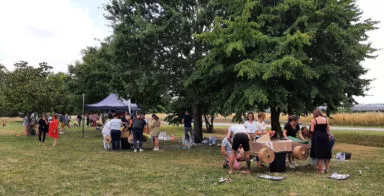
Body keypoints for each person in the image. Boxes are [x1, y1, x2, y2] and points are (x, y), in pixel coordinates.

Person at [310, 109, 332, 173]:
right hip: (325, 137)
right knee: (326, 152)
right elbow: (328, 129)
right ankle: (327, 168)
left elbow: (312, 130)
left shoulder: (314, 120)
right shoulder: (325, 119)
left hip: (317, 137)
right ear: (320, 113)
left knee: (319, 153)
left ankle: (321, 170)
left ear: (315, 114)